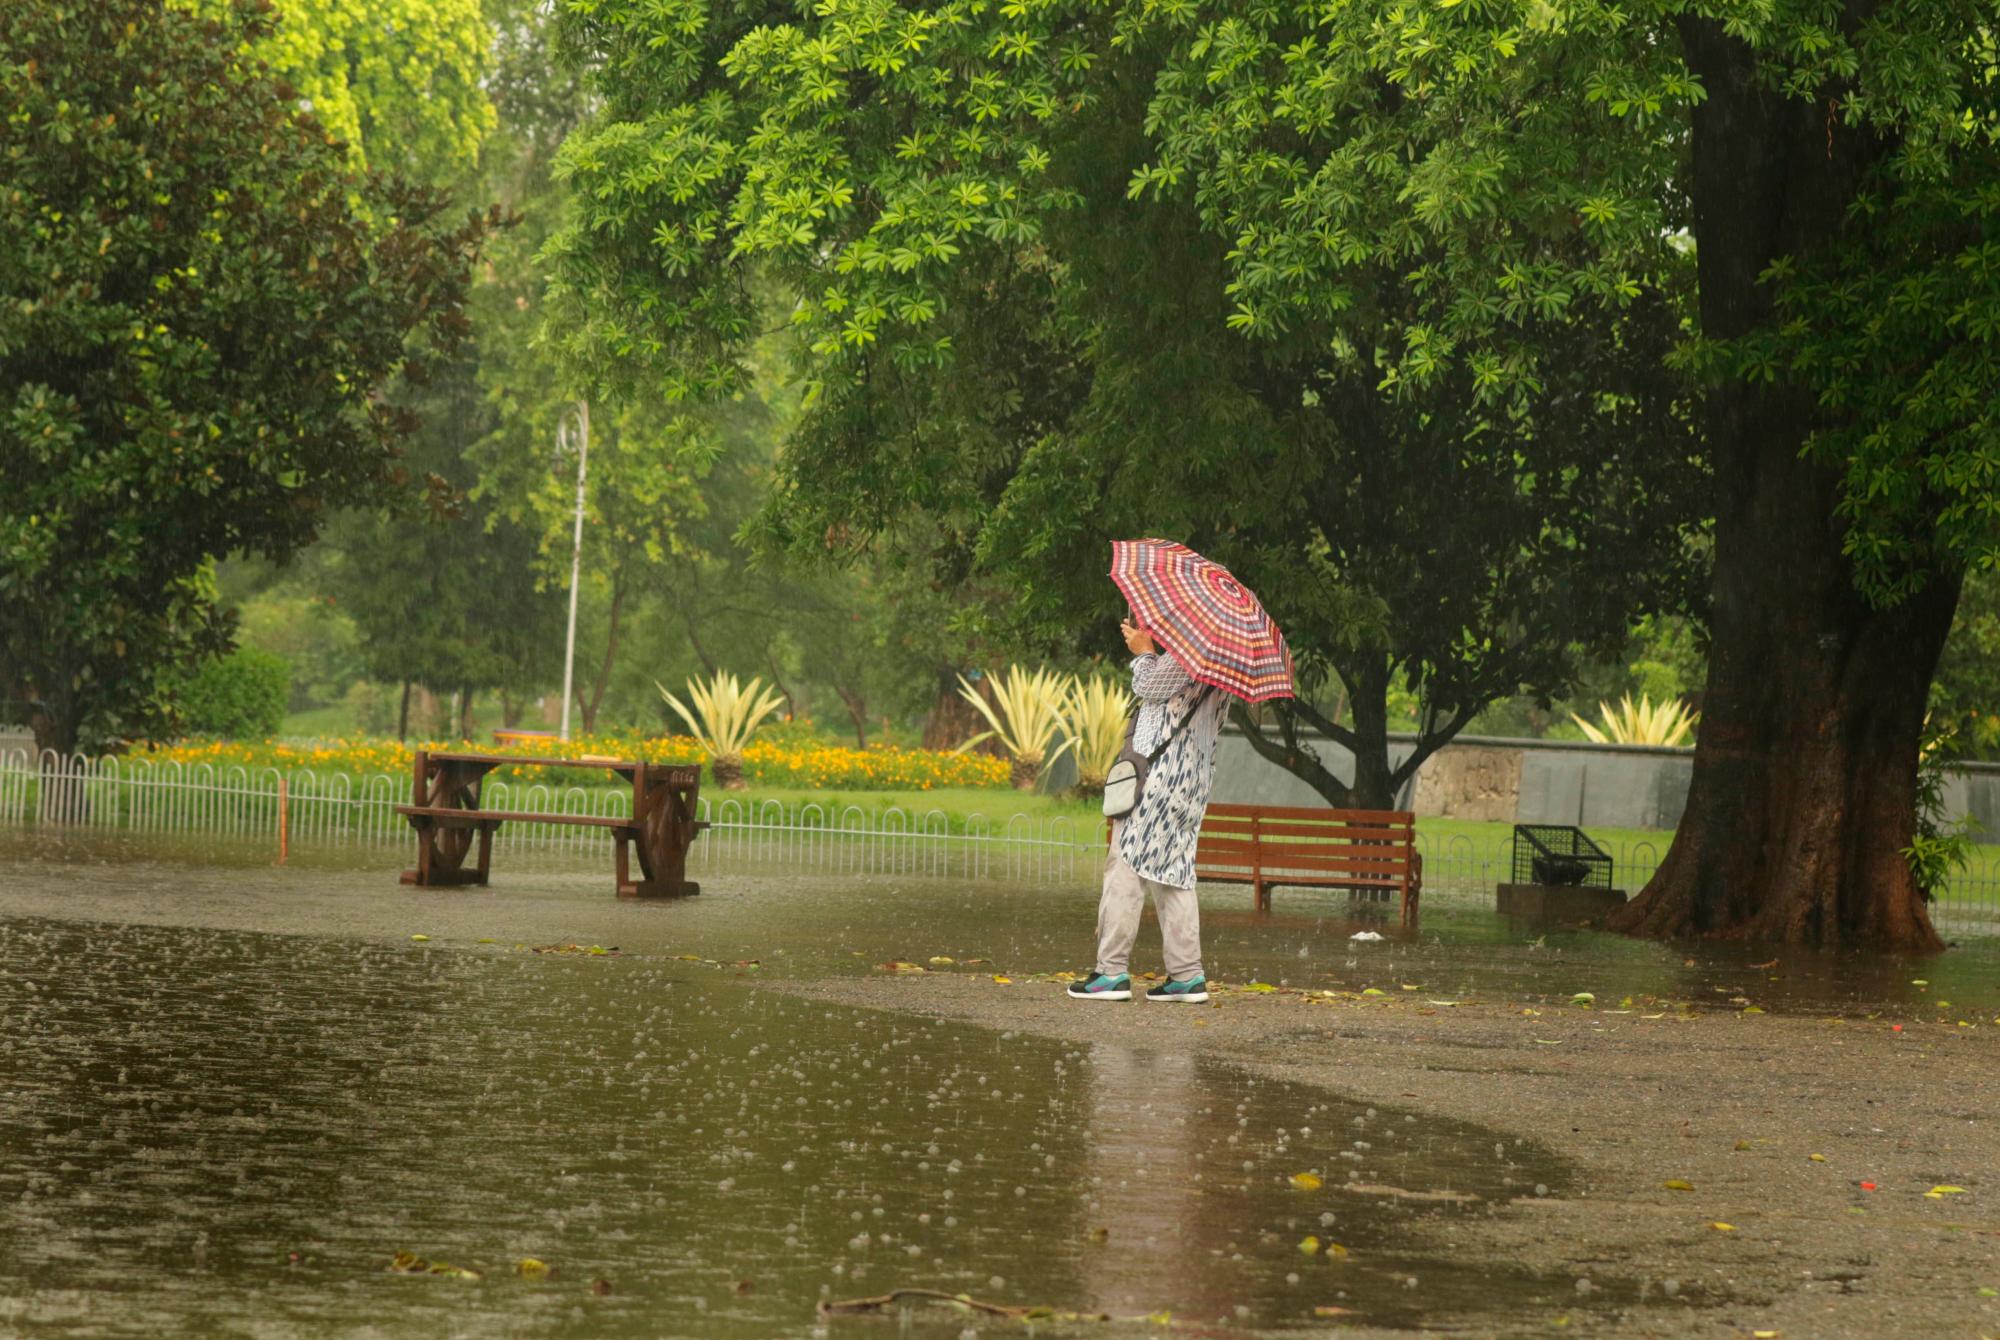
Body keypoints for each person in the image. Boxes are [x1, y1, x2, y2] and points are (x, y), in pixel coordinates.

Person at [1068, 616, 1230, 1003]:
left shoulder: (1193, 647)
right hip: (1190, 783)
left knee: (1125, 868)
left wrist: (1143, 652)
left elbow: (1150, 687)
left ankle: (1110, 973)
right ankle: (1187, 975)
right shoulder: (1222, 659)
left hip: (1159, 780)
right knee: (1173, 873)